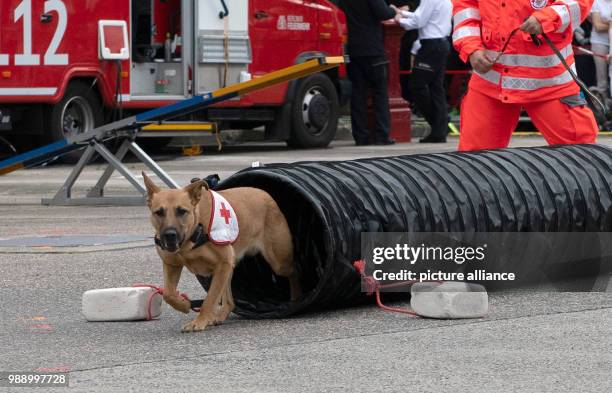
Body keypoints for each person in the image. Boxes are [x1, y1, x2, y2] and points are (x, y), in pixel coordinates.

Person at [452, 0, 599, 151]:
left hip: (550, 83)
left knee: (581, 156)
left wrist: (547, 18)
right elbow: (465, 9)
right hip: (491, 82)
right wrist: (471, 48)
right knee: (474, 161)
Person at [337, 0, 400, 145]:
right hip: (372, 48)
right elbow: (383, 13)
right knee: (380, 93)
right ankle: (381, 135)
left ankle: (360, 136)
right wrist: (393, 10)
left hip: (353, 48)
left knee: (358, 94)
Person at [397, 0, 453, 143]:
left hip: (431, 46)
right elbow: (422, 15)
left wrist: (399, 20)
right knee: (436, 88)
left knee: (417, 85)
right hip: (441, 43)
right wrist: (402, 13)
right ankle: (439, 127)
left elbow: (418, 21)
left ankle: (439, 124)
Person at [590, 0, 612, 96]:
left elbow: (601, 24)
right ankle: (603, 108)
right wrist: (611, 24)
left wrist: (606, 23)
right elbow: (598, 26)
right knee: (602, 79)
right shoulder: (596, 2)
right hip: (599, 43)